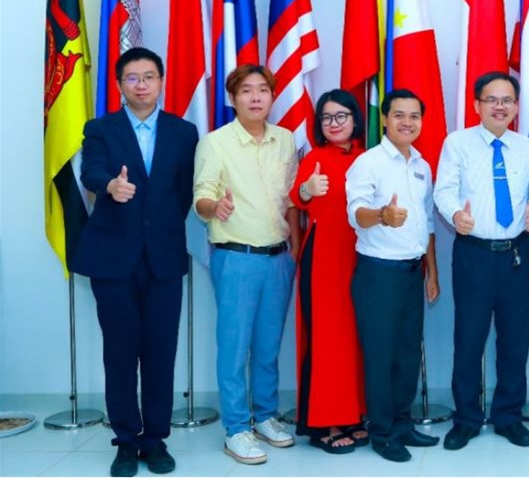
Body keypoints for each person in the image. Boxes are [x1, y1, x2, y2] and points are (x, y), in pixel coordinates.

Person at [73, 47, 198, 477]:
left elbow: (184, 191)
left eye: (149, 77)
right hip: (113, 259)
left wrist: (160, 226)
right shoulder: (100, 129)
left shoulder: (183, 131)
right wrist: (110, 186)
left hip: (163, 258)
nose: (141, 85)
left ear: (161, 81)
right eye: (132, 78)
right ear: (119, 84)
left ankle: (155, 439)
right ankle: (126, 441)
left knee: (161, 352)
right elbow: (91, 171)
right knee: (120, 353)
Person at [193, 65, 301, 465]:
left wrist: (294, 248)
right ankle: (237, 428)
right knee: (235, 347)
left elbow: (291, 200)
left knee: (269, 346)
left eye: (263, 90)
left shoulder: (285, 140)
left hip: (278, 258)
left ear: (272, 96)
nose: (255, 97)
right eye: (246, 91)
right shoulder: (215, 143)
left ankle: (266, 416)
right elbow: (202, 196)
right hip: (237, 257)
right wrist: (214, 207)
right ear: (232, 98)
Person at [434, 72, 529, 451]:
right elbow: (443, 190)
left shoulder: (527, 147)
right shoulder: (458, 143)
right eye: (492, 99)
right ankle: (466, 418)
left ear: (516, 106)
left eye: (507, 100)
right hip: (474, 254)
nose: (500, 106)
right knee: (469, 339)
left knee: (515, 340)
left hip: (516, 255)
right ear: (477, 105)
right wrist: (455, 215)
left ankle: (508, 417)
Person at [346, 89, 441, 463]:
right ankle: (382, 432)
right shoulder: (368, 163)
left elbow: (428, 223)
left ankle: (402, 424)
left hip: (412, 272)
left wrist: (432, 273)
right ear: (384, 119)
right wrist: (382, 215)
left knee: (407, 353)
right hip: (379, 275)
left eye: (414, 116)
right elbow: (356, 214)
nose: (407, 122)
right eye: (399, 115)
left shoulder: (421, 165)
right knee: (381, 355)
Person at [289, 90, 368, 453]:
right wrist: (307, 190)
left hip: (361, 256)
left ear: (355, 119)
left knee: (355, 339)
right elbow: (297, 197)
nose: (334, 124)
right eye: (326, 118)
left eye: (341, 116)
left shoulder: (369, 157)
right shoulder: (315, 158)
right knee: (328, 339)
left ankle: (352, 414)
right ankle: (324, 422)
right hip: (324, 257)